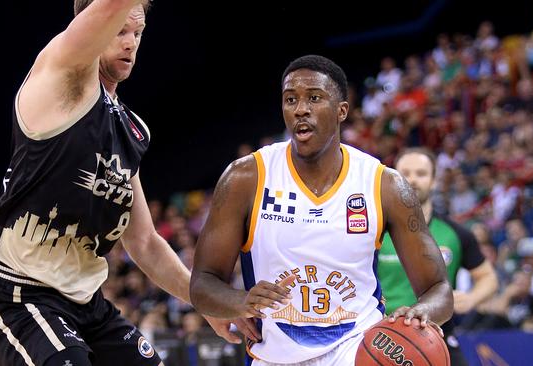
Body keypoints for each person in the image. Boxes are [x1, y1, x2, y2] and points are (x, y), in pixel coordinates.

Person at [0, 1, 232, 365]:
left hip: (88, 304)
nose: (130, 43)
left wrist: (206, 302)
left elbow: (145, 242)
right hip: (20, 294)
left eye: (137, 33)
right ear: (91, 24)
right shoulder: (62, 74)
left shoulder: (132, 129)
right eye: (120, 30)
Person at [190, 55, 453, 365]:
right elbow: (202, 283)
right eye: (291, 99)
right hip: (274, 355)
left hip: (356, 349)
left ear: (342, 110)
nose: (301, 108)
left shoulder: (384, 184)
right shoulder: (246, 178)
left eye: (314, 98)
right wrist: (240, 301)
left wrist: (424, 311)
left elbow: (439, 290)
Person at [378, 148, 498, 366]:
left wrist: (471, 298)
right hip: (383, 338)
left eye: (421, 174)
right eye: (405, 173)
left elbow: (488, 277)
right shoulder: (374, 231)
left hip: (437, 335)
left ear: (434, 181)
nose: (412, 179)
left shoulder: (455, 233)